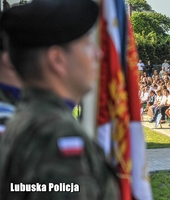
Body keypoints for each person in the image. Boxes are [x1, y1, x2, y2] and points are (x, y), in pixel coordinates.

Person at [0, 0, 119, 199]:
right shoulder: (57, 135)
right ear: (57, 60)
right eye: (87, 43)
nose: (98, 54)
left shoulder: (23, 119)